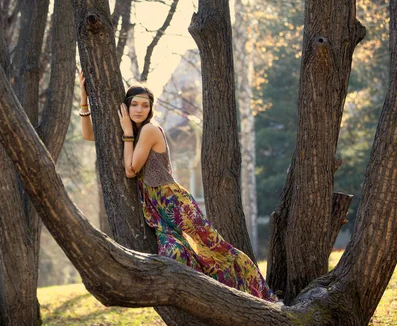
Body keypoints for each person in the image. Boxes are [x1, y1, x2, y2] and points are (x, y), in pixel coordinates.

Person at [80, 72, 277, 302]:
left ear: (151, 110)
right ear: (126, 106)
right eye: (134, 104)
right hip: (158, 211)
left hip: (175, 204)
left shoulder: (148, 130)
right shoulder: (133, 132)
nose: (139, 110)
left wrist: (125, 132)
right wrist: (84, 99)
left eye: (145, 105)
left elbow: (130, 170)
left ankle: (261, 295)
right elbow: (88, 135)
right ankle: (209, 298)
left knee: (214, 250)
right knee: (175, 252)